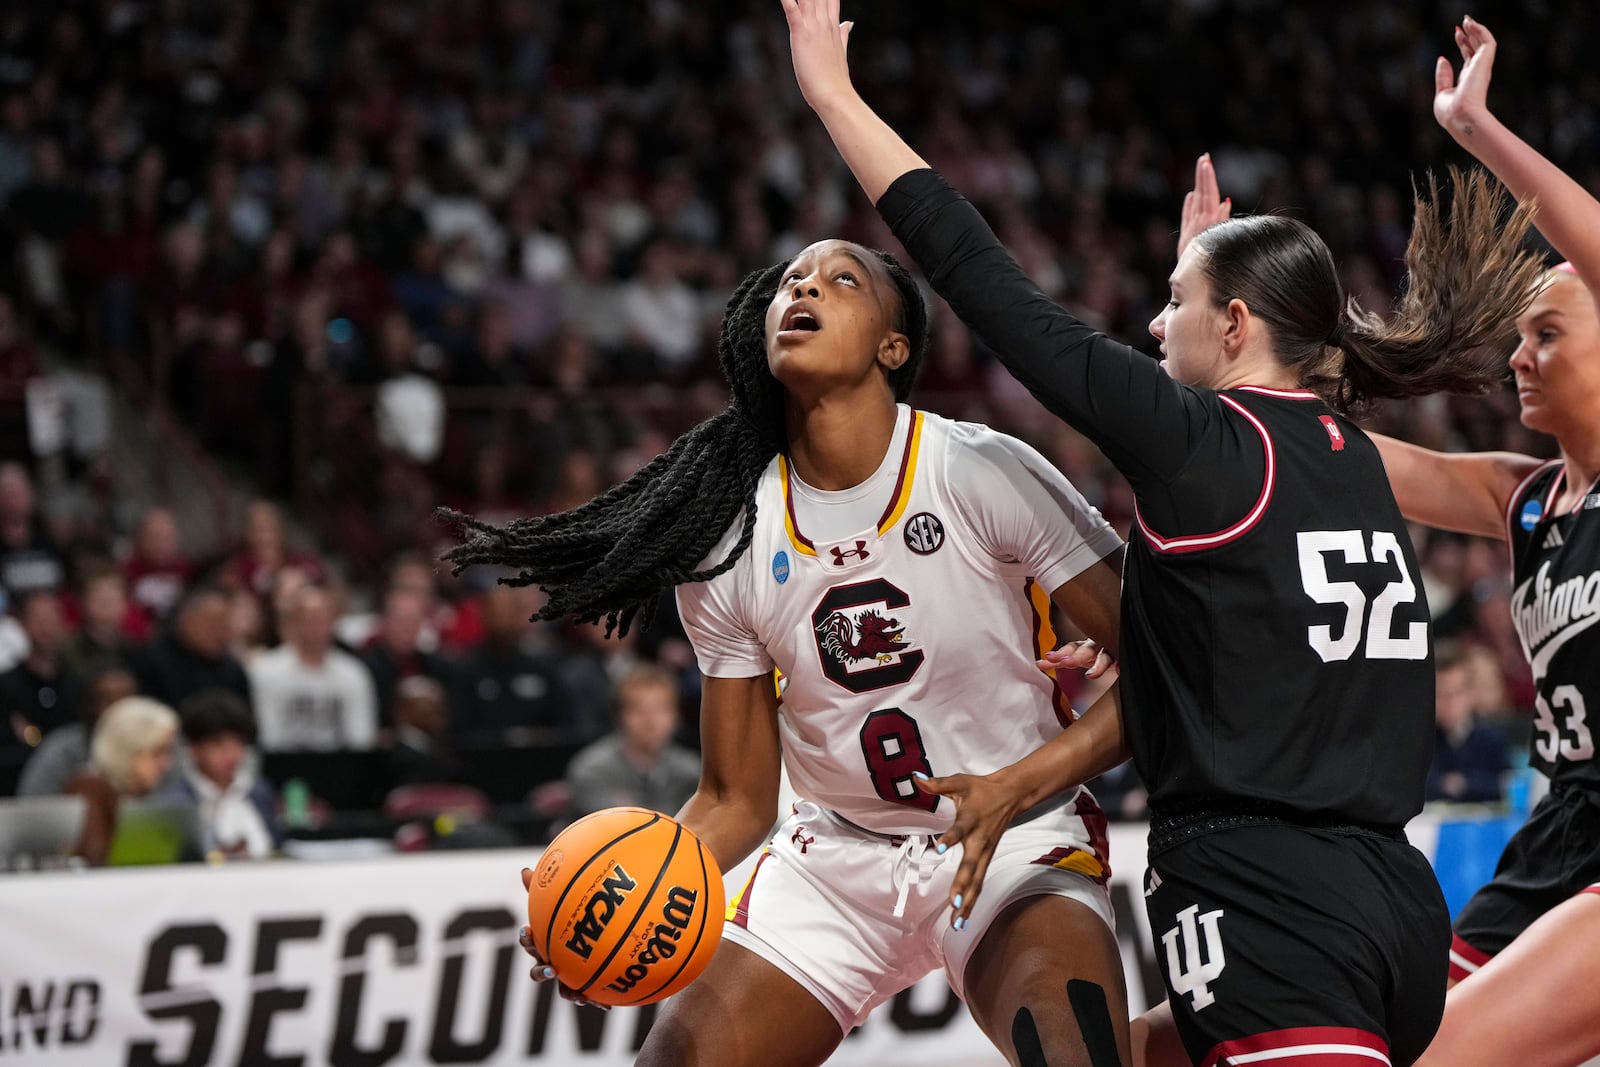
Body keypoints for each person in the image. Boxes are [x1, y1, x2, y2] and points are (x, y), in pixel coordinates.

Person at [778, 2, 1546, 1064]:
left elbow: (986, 287)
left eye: (1174, 301)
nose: (1149, 322)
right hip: (1388, 898)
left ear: (1235, 325)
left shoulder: (1202, 448)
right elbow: (1248, 611)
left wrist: (833, 95)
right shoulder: (1351, 454)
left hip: (1265, 892)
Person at [444, 162, 1129, 1067]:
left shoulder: (983, 471)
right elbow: (734, 797)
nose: (802, 285)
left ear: (894, 347)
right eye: (789, 282)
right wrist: (602, 902)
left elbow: (1158, 674)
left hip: (1013, 839)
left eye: (841, 278)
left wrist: (1018, 785)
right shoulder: (726, 539)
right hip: (834, 857)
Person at [248, 584, 378, 752]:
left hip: (341, 767)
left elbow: (362, 739)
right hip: (283, 767)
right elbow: (267, 737)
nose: (315, 628)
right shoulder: (265, 670)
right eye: (308, 620)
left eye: (321, 620)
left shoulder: (354, 673)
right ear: (293, 623)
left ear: (333, 623)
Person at [564, 663, 700, 819]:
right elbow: (616, 829)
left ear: (676, 716)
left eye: (661, 709)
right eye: (638, 710)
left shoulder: (693, 772)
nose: (650, 721)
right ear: (620, 715)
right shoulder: (591, 769)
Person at [161, 689, 282, 860]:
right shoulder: (175, 803)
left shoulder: (259, 791)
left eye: (238, 743)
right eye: (218, 745)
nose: (231, 754)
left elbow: (277, 848)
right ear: (193, 748)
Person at [65, 695, 178, 865]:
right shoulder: (90, 791)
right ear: (129, 749)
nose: (166, 764)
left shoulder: (143, 795)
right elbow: (97, 861)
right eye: (158, 752)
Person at [16, 664, 137, 796]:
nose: (116, 712)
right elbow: (32, 802)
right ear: (90, 705)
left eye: (124, 703)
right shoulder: (62, 750)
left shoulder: (150, 746)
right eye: (106, 701)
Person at [1427, 640, 1510, 805]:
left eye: (1456, 692)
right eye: (1441, 693)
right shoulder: (1422, 741)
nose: (1449, 702)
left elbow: (1507, 786)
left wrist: (1464, 784)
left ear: (1471, 693)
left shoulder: (1490, 738)